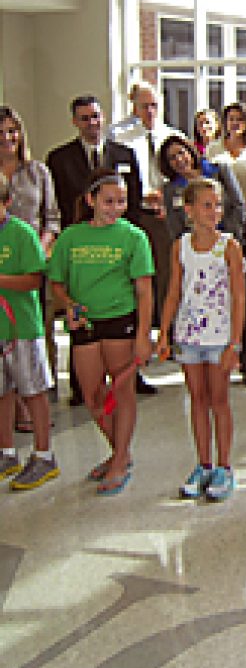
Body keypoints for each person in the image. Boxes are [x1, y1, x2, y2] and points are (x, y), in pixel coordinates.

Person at [48, 168, 154, 495]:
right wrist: (68, 304)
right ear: (91, 200)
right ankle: (120, 450)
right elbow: (56, 283)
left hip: (119, 321)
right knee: (93, 396)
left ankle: (120, 458)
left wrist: (143, 336)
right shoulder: (70, 238)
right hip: (85, 324)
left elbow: (145, 291)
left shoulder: (134, 237)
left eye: (121, 201)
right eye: (108, 201)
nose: (115, 208)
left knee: (121, 394)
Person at [46, 95, 143, 406]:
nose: (92, 123)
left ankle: (132, 375)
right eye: (85, 118)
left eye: (96, 116)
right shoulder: (59, 159)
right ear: (75, 122)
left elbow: (136, 201)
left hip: (120, 244)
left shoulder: (124, 153)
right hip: (81, 244)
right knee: (83, 318)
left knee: (122, 310)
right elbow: (57, 202)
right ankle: (81, 383)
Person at [157, 178, 245, 501]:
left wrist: (235, 343)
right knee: (197, 399)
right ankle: (203, 463)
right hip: (189, 335)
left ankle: (224, 466)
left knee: (219, 400)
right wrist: (164, 331)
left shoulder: (229, 247)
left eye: (218, 205)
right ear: (189, 210)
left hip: (219, 337)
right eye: (207, 205)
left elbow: (238, 297)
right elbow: (173, 292)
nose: (214, 211)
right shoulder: (180, 247)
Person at [159, 133, 246, 387]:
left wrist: (226, 236)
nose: (179, 160)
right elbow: (173, 224)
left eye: (181, 152)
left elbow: (238, 205)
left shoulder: (218, 170)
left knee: (238, 301)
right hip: (194, 254)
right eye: (172, 158)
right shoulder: (173, 189)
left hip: (224, 247)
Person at [0, 106, 61, 429]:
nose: (8, 138)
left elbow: (52, 217)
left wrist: (41, 248)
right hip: (2, 260)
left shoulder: (37, 171)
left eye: (13, 130)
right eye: (1, 132)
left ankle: (36, 401)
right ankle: (12, 407)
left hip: (33, 259)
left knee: (37, 331)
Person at [111, 81, 180, 362]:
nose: (149, 111)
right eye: (144, 106)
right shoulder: (121, 138)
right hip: (136, 214)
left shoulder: (171, 135)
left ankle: (169, 334)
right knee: (138, 276)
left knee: (167, 274)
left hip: (166, 215)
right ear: (134, 106)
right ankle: (140, 335)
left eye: (154, 105)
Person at [0, 173, 58, 490]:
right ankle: (7, 451)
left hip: (22, 327)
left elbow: (34, 280)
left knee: (32, 389)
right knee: (3, 391)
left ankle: (44, 453)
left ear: (7, 203)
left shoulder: (21, 234)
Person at [210, 101, 246, 359]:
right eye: (229, 118)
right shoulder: (214, 149)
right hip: (222, 225)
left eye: (239, 119)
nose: (234, 124)